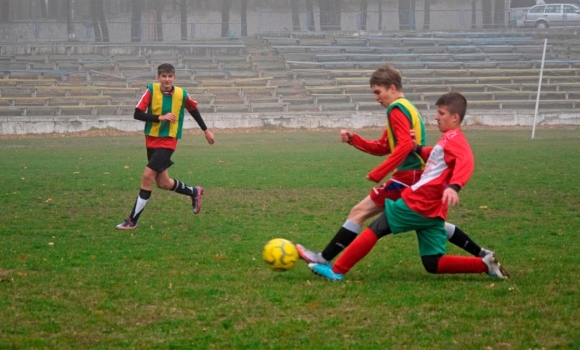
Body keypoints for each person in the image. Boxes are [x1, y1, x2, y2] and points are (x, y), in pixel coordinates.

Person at [296, 64, 491, 266]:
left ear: (392, 87)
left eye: (378, 92)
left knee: (359, 212)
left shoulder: (396, 109)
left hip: (408, 177)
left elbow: (405, 145)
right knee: (430, 222)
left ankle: (325, 259)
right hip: (419, 176)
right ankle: (482, 254)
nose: (376, 97)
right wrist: (355, 139)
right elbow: (384, 146)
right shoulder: (408, 107)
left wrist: (379, 172)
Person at [308, 92, 510, 281]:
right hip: (433, 209)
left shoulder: (457, 140)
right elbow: (436, 157)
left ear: (455, 117)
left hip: (420, 202)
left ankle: (336, 271)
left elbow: (466, 161)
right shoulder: (449, 137)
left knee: (377, 227)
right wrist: (417, 148)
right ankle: (485, 265)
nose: (436, 117)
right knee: (432, 262)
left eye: (441, 113)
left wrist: (454, 186)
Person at [116, 63, 215, 230]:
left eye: (170, 76)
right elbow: (137, 114)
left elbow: (193, 110)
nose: (167, 79)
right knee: (163, 183)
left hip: (169, 141)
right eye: (164, 76)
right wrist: (159, 117)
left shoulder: (181, 94)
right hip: (151, 140)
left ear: (174, 78)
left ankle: (132, 221)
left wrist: (206, 130)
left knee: (147, 176)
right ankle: (194, 192)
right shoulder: (151, 90)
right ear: (158, 77)